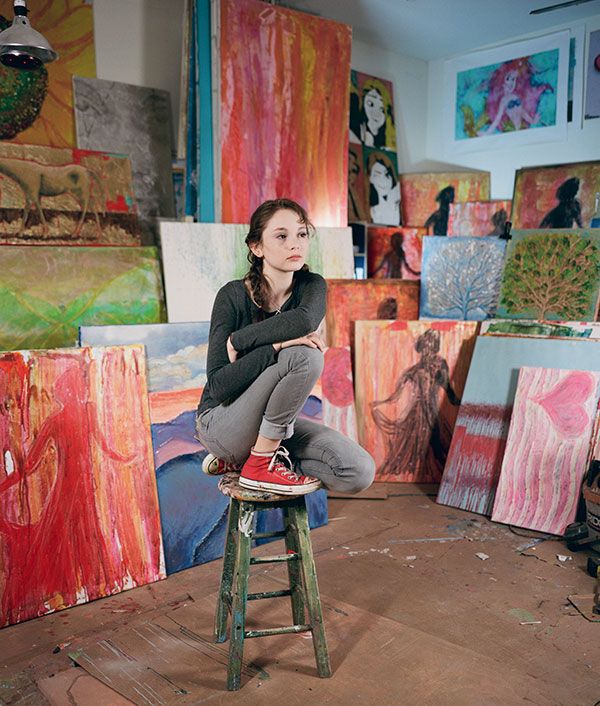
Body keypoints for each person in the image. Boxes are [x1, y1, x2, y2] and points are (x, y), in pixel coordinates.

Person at [195, 198, 375, 496]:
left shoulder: (311, 286)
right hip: (221, 422)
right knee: (304, 356)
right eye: (282, 236)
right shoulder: (231, 296)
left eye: (302, 234)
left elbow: (303, 321)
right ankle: (258, 463)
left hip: (273, 426)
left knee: (358, 471)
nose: (296, 244)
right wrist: (277, 346)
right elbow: (219, 387)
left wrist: (241, 341)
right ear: (257, 247)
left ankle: (255, 458)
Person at [479, 59, 551, 136]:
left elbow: (522, 113)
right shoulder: (504, 100)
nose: (511, 83)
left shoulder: (515, 97)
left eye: (513, 79)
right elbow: (497, 119)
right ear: (502, 81)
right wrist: (487, 132)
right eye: (508, 79)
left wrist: (533, 120)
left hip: (521, 130)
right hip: (513, 131)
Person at [367, 152, 400, 225]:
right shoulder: (371, 205)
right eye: (377, 175)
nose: (383, 181)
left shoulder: (396, 193)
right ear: (370, 178)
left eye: (386, 174)